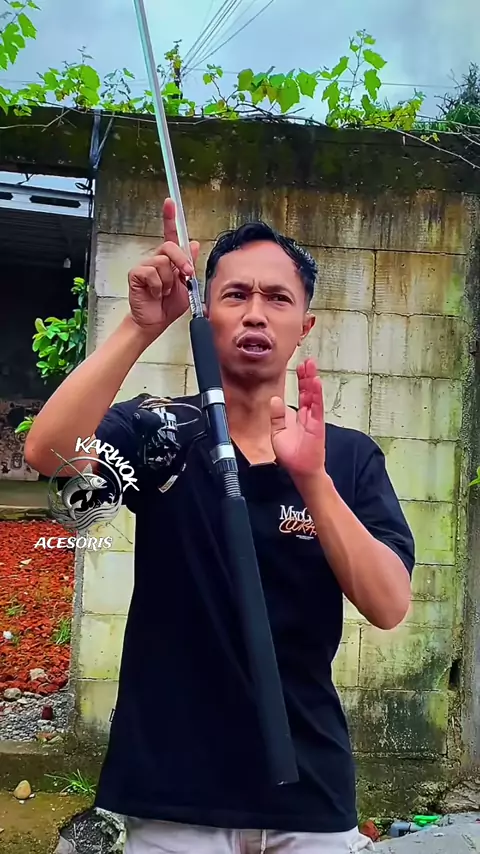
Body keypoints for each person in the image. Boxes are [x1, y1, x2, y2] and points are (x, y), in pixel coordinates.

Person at [25, 198, 415, 854]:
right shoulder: (159, 431)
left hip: (310, 798)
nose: (256, 312)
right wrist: (140, 327)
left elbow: (388, 604)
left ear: (304, 325)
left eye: (277, 298)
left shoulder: (347, 458)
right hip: (168, 798)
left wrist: (312, 480)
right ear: (207, 312)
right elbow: (50, 452)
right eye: (235, 294)